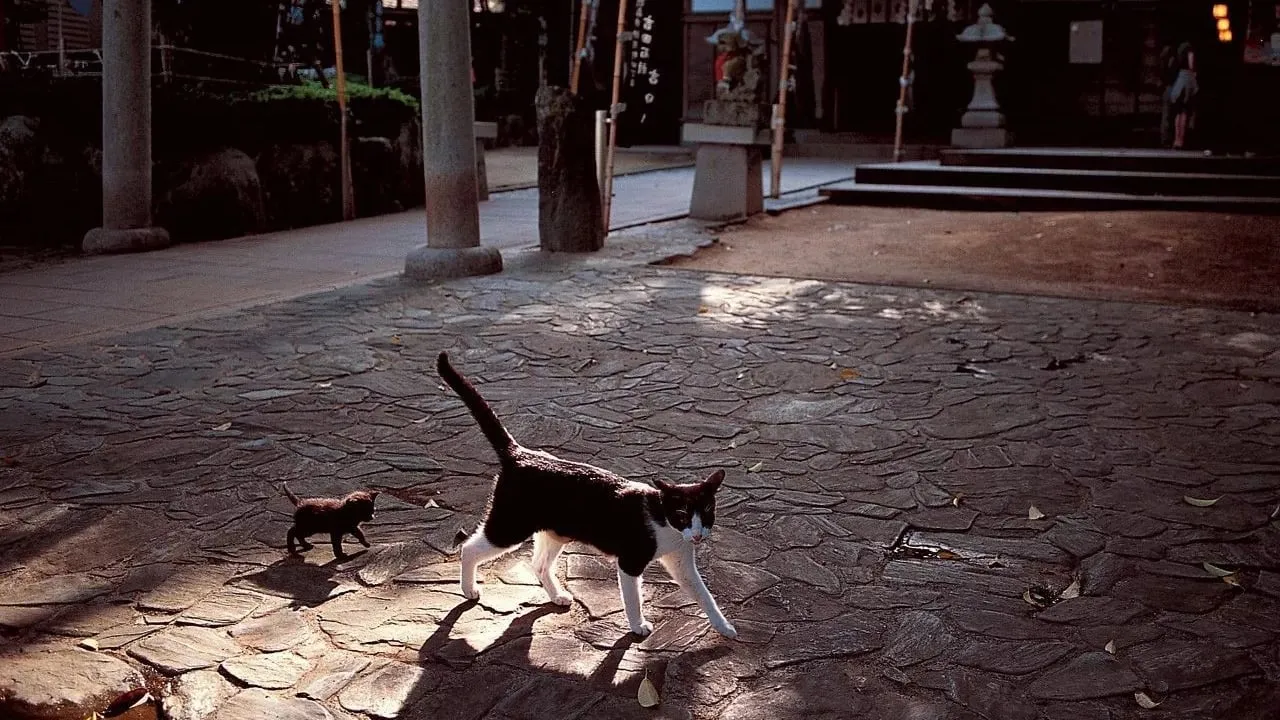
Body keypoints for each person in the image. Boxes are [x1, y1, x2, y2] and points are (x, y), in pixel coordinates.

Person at [1169, 42, 1198, 149]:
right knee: (1184, 112)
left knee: (1178, 112)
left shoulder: (1178, 53)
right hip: (1186, 81)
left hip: (1179, 82)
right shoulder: (1190, 50)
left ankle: (1176, 140)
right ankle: (1181, 140)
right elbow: (1191, 65)